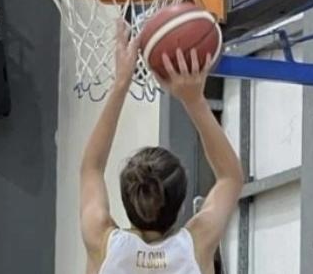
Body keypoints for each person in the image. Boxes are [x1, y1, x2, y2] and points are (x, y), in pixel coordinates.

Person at [80, 20, 244, 274]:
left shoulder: (102, 244)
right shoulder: (196, 246)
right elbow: (230, 176)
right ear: (179, 207)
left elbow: (91, 168)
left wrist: (121, 83)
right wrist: (194, 100)